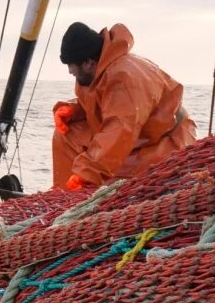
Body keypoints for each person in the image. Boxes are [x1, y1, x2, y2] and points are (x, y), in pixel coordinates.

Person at [52, 22, 196, 190]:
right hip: (138, 137)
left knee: (114, 178)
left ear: (89, 63)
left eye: (71, 65)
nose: (70, 71)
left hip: (165, 142)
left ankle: (82, 188)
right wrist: (73, 111)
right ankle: (65, 193)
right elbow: (105, 104)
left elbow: (120, 129)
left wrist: (87, 173)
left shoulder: (123, 78)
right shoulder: (99, 71)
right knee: (66, 133)